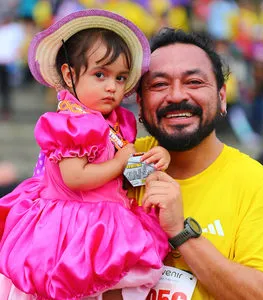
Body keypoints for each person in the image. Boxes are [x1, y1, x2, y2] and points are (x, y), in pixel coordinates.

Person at [0, 9, 170, 300]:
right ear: (69, 74)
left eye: (120, 78)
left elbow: (126, 179)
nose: (111, 87)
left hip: (105, 225)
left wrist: (150, 165)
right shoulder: (72, 124)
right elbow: (76, 177)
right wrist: (120, 161)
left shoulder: (113, 123)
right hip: (71, 228)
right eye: (100, 74)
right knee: (69, 286)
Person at [129, 28, 263, 299]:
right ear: (139, 101)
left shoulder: (259, 186)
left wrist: (180, 231)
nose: (176, 96)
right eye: (159, 85)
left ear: (221, 96)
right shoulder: (115, 164)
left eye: (194, 82)